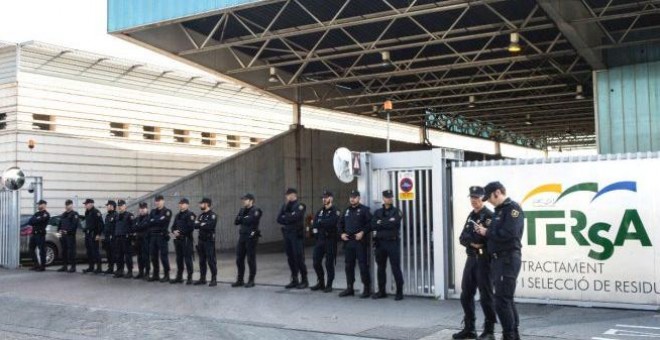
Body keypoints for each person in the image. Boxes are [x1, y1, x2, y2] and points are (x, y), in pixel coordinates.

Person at [476, 182, 524, 340]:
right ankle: (513, 334)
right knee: (505, 299)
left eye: (489, 197)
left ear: (497, 192)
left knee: (501, 300)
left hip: (507, 258)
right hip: (498, 260)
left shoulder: (512, 209)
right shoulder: (499, 211)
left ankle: (509, 335)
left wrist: (487, 232)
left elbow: (509, 234)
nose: (488, 201)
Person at [453, 186, 496, 340]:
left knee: (486, 296)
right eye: (472, 198)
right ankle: (469, 328)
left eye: (477, 198)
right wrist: (473, 242)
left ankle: (489, 331)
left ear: (483, 198)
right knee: (466, 294)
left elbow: (487, 239)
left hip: (484, 260)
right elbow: (462, 238)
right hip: (471, 258)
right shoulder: (471, 215)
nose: (474, 201)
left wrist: (476, 239)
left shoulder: (489, 216)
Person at [338, 190, 373, 298]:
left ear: (359, 198)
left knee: (363, 266)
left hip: (360, 242)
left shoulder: (364, 210)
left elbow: (371, 223)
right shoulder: (347, 210)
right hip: (349, 242)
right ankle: (350, 288)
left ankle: (366, 289)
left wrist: (363, 232)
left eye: (354, 197)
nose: (352, 199)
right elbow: (340, 223)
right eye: (351, 197)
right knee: (349, 266)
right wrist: (341, 233)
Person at [371, 189, 404, 301]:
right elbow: (373, 224)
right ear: (383, 198)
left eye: (390, 197)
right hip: (380, 243)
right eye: (387, 197)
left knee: (395, 267)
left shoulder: (397, 211)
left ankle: (399, 292)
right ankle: (381, 291)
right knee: (380, 268)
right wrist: (386, 222)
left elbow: (394, 224)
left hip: (392, 243)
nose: (389, 198)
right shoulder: (378, 212)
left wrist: (382, 222)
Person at [277, 188, 308, 289]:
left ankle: (304, 280)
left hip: (296, 235)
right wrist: (289, 217)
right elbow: (278, 219)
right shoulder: (284, 206)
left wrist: (286, 217)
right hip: (287, 235)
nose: (288, 196)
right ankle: (294, 279)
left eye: (290, 194)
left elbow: (296, 217)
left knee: (299, 257)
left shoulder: (300, 205)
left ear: (295, 195)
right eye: (287, 194)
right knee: (290, 258)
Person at [310, 190, 339, 293]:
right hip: (320, 240)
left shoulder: (335, 211)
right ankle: (321, 282)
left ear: (331, 198)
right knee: (316, 262)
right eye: (323, 197)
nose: (324, 199)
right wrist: (320, 223)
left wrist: (320, 222)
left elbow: (332, 222)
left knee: (329, 263)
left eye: (326, 197)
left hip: (330, 241)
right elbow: (314, 224)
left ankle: (329, 284)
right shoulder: (320, 211)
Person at [232, 193, 262, 288]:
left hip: (251, 237)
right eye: (243, 199)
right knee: (239, 259)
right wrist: (244, 218)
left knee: (250, 260)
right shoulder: (242, 210)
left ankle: (251, 280)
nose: (243, 201)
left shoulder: (256, 210)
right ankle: (240, 280)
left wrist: (243, 218)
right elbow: (236, 221)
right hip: (242, 237)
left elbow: (252, 220)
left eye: (245, 199)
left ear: (251, 200)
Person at [147, 195, 172, 282]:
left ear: (163, 201)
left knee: (163, 256)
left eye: (159, 200)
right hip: (153, 236)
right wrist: (157, 220)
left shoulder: (167, 211)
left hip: (162, 236)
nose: (157, 202)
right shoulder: (153, 211)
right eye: (156, 201)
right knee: (153, 256)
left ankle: (166, 275)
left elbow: (164, 222)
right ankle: (155, 274)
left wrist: (154, 220)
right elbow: (149, 222)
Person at [171, 198, 196, 285]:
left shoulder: (190, 215)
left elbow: (190, 227)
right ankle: (179, 277)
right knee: (179, 259)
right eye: (180, 203)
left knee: (188, 259)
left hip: (186, 240)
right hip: (178, 240)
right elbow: (173, 226)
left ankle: (190, 277)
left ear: (187, 205)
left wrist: (180, 232)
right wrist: (174, 231)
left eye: (183, 203)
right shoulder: (177, 215)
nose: (181, 205)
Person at [194, 197, 218, 287]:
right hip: (201, 241)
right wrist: (202, 224)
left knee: (211, 260)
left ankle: (214, 279)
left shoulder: (213, 215)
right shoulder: (201, 215)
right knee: (202, 260)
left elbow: (210, 226)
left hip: (209, 241)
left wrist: (200, 224)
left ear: (207, 204)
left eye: (202, 203)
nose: (200, 205)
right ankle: (202, 278)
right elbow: (195, 225)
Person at [113, 200, 135, 278]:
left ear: (125, 206)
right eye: (119, 206)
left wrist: (131, 238)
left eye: (121, 205)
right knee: (119, 255)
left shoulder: (129, 215)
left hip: (126, 238)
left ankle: (130, 271)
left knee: (128, 256)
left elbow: (133, 227)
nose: (120, 207)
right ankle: (120, 270)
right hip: (118, 238)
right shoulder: (116, 216)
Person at [57, 199, 79, 273]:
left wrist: (68, 231)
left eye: (69, 205)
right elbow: (59, 224)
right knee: (64, 251)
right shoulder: (63, 214)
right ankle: (64, 266)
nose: (67, 206)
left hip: (70, 236)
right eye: (66, 205)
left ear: (72, 205)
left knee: (71, 252)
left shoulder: (74, 214)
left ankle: (73, 267)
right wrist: (59, 231)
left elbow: (74, 225)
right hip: (63, 236)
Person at [28, 200, 50, 271]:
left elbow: (40, 220)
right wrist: (37, 219)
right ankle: (36, 264)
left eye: (40, 204)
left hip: (40, 234)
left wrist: (36, 220)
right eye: (38, 204)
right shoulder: (37, 213)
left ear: (44, 205)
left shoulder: (46, 214)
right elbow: (30, 222)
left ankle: (42, 266)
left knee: (42, 250)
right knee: (31, 249)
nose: (38, 205)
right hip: (34, 234)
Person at [82, 199, 103, 274]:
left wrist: (98, 234)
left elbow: (100, 224)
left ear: (91, 204)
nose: (85, 205)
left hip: (94, 234)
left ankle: (99, 268)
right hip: (88, 234)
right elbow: (88, 224)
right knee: (89, 252)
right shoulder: (87, 212)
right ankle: (91, 267)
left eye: (86, 204)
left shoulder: (96, 212)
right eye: (85, 204)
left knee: (95, 252)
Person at [133, 202, 151, 280]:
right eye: (140, 209)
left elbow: (144, 226)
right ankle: (141, 272)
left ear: (147, 209)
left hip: (146, 240)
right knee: (139, 257)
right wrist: (138, 226)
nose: (142, 210)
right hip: (138, 240)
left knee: (146, 257)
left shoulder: (149, 218)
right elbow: (133, 227)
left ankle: (147, 273)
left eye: (143, 208)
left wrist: (138, 226)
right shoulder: (137, 218)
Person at [102, 200, 118, 274]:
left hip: (113, 238)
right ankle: (110, 268)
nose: (107, 207)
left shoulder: (116, 215)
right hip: (107, 237)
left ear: (112, 206)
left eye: (108, 206)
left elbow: (116, 227)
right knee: (108, 254)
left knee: (114, 254)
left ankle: (118, 269)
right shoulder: (107, 216)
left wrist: (113, 235)